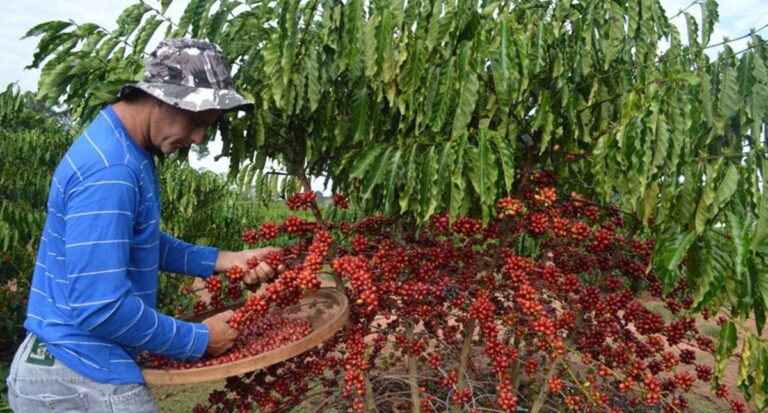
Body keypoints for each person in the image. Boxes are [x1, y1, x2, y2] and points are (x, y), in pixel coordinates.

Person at [6, 39, 278, 413]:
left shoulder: (122, 147)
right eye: (197, 122)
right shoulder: (111, 171)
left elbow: (135, 240)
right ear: (163, 98)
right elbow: (101, 309)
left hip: (62, 359)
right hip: (81, 374)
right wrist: (198, 338)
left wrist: (225, 259)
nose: (198, 139)